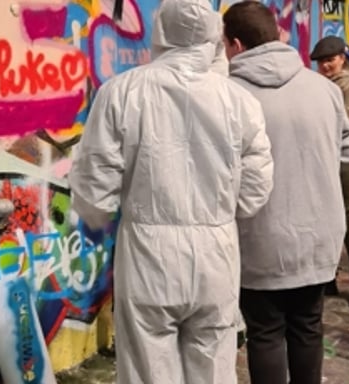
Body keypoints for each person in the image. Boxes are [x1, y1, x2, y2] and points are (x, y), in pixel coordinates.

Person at [68, 0, 274, 382]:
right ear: (213, 34)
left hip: (148, 254)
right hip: (217, 253)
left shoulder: (121, 92)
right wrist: (226, 211)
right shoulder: (240, 101)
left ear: (159, 31)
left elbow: (95, 187)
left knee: (149, 368)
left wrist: (100, 216)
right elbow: (256, 186)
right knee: (213, 364)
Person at [222, 2, 349, 383]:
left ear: (234, 44)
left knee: (264, 333)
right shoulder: (323, 89)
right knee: (308, 325)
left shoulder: (228, 94)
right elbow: (348, 150)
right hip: (318, 235)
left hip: (258, 236)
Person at [310, 36, 349, 309]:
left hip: (346, 161)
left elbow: (347, 124)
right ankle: (329, 278)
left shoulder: (346, 86)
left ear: (342, 59)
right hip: (327, 159)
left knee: (346, 222)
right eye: (321, 62)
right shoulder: (324, 86)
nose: (325, 66)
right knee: (328, 221)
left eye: (330, 60)